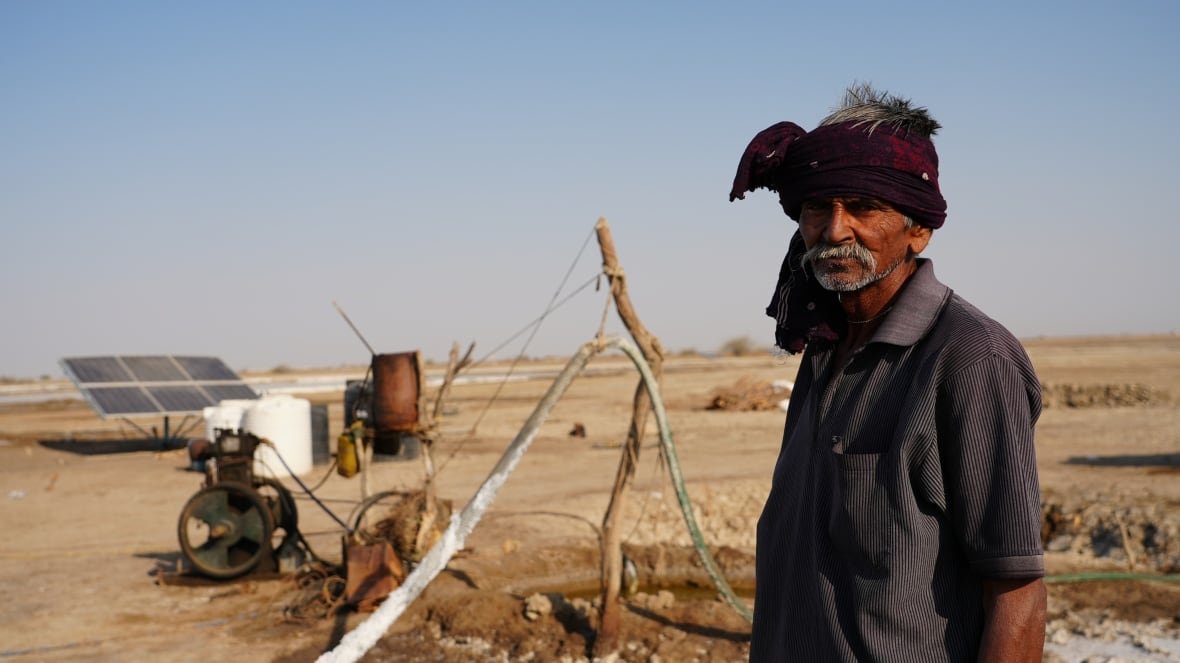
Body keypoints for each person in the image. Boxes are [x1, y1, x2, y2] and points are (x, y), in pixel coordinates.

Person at [729, 84, 1046, 662]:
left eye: (863, 207)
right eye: (817, 208)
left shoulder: (971, 358)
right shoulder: (823, 349)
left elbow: (1015, 590)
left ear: (918, 228)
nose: (834, 230)